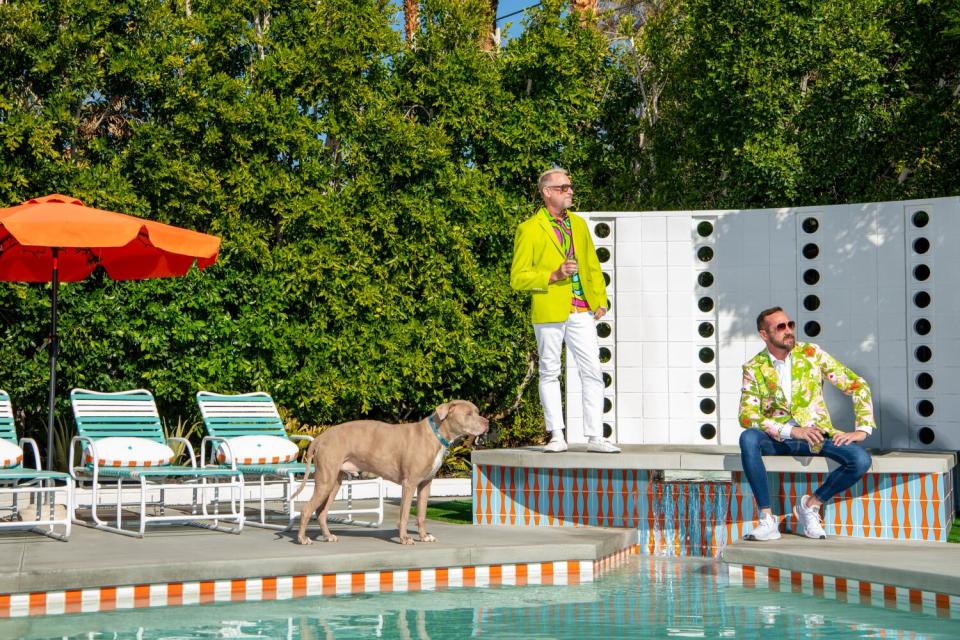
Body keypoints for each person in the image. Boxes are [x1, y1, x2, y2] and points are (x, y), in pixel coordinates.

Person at [738, 307, 874, 540]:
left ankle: (810, 506)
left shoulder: (811, 353)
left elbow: (856, 384)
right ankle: (767, 519)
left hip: (816, 436)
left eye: (790, 324)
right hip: (779, 438)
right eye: (780, 327)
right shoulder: (754, 367)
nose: (788, 330)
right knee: (748, 438)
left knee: (860, 460)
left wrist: (862, 428)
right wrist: (791, 430)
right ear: (764, 335)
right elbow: (746, 414)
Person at [510, 168, 620, 454]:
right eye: (564, 187)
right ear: (547, 192)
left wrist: (600, 299)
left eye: (570, 187)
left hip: (581, 310)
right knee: (549, 371)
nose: (570, 191)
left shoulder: (579, 225)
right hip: (549, 309)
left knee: (593, 371)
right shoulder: (529, 228)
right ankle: (556, 435)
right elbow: (518, 277)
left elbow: (592, 265)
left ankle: (595, 436)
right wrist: (553, 275)